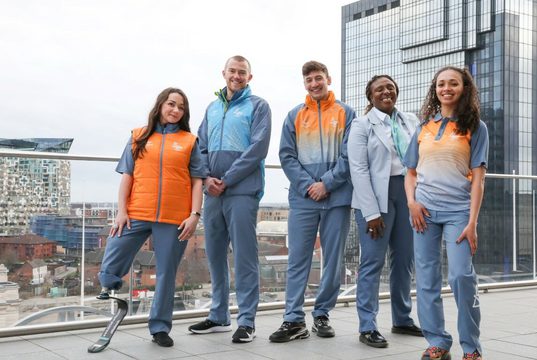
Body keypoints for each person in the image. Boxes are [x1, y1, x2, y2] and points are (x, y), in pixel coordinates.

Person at [97, 87, 203, 347]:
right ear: (160, 105)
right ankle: (109, 282)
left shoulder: (190, 141)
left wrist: (194, 215)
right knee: (116, 243)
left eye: (181, 107)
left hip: (174, 217)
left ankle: (159, 328)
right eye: (171, 104)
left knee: (167, 272)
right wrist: (121, 211)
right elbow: (127, 176)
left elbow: (197, 181)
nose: (175, 110)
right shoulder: (138, 136)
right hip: (137, 211)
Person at [404, 66, 488, 360]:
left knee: (461, 277)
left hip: (458, 213)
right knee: (426, 279)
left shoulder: (475, 127)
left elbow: (478, 178)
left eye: (453, 83)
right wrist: (411, 203)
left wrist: (472, 222)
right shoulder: (423, 127)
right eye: (441, 84)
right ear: (435, 89)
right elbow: (410, 172)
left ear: (464, 88)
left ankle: (471, 347)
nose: (446, 88)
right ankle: (437, 341)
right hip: (423, 212)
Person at [269, 60, 355, 343]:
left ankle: (322, 313)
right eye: (309, 80)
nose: (314, 84)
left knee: (333, 260)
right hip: (304, 199)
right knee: (298, 260)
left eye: (318, 78)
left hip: (337, 197)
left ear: (328, 79)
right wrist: (309, 186)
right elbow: (286, 156)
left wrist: (327, 184)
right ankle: (293, 319)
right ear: (304, 84)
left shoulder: (346, 113)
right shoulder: (294, 115)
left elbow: (349, 155)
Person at [187, 55, 271, 344]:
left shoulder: (258, 106)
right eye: (232, 71)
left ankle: (247, 320)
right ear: (223, 73)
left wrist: (228, 179)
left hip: (242, 191)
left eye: (242, 72)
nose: (236, 76)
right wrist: (208, 178)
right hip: (213, 192)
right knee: (214, 254)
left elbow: (258, 149)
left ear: (250, 77)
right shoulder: (212, 108)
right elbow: (200, 147)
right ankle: (219, 315)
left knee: (245, 257)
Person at [348, 75, 423, 348]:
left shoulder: (411, 120)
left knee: (404, 260)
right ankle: (367, 326)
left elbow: (419, 160)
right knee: (372, 262)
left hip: (407, 195)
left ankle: (402, 319)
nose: (386, 92)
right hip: (376, 198)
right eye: (379, 89)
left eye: (390, 87)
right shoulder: (361, 125)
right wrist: (370, 212)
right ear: (371, 96)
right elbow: (358, 169)